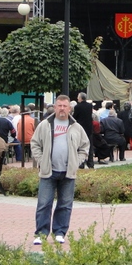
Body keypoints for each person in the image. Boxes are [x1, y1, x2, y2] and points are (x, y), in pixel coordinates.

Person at [31, 94, 89, 245]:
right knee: (44, 204)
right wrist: (41, 160)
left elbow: (84, 147)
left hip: (68, 172)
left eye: (65, 106)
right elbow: (35, 143)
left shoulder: (76, 127)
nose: (62, 109)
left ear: (69, 108)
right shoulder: (45, 125)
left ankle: (60, 232)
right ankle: (41, 234)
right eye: (59, 106)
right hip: (48, 172)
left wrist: (76, 162)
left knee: (65, 204)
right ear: (55, 107)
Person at [73, 92, 95, 169]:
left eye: (78, 97)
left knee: (80, 146)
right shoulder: (90, 106)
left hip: (80, 128)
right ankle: (90, 163)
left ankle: (81, 163)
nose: (77, 98)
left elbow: (74, 117)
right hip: (89, 128)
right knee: (90, 145)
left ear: (80, 98)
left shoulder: (77, 107)